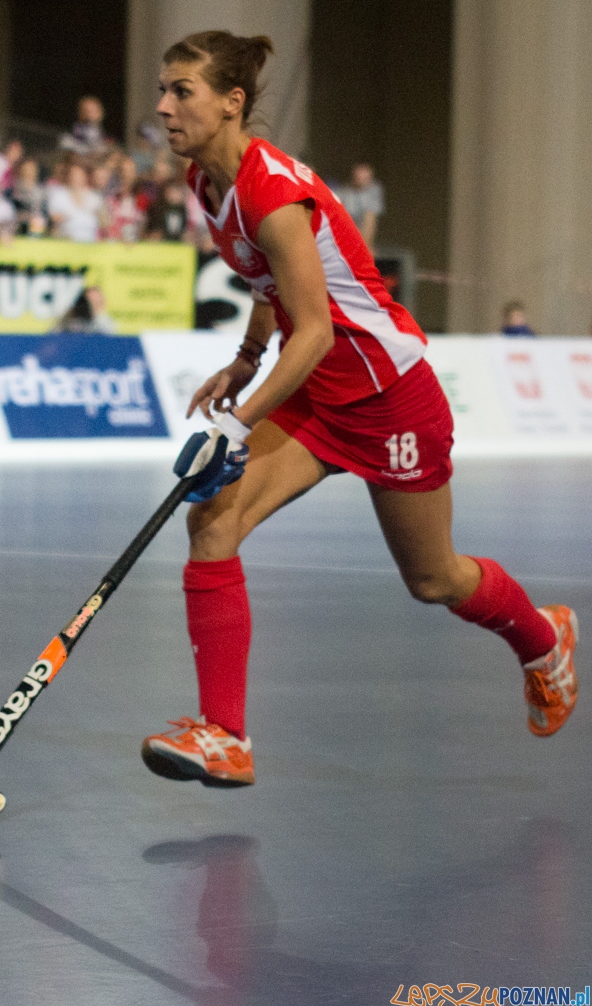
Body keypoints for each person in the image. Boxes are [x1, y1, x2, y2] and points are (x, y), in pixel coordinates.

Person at [140, 30, 579, 788]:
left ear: (231, 102)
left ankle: (543, 639)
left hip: (387, 397)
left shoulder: (274, 193)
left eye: (181, 90)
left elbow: (311, 332)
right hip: (318, 395)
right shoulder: (205, 181)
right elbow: (267, 283)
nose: (163, 105)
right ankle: (225, 734)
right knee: (211, 519)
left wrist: (235, 426)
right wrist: (245, 361)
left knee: (434, 579)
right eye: (165, 88)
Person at [337, 162, 385, 249]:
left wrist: (365, 245)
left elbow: (370, 219)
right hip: (345, 237)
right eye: (360, 177)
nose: (363, 180)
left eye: (366, 178)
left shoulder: (374, 190)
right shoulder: (342, 192)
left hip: (363, 240)